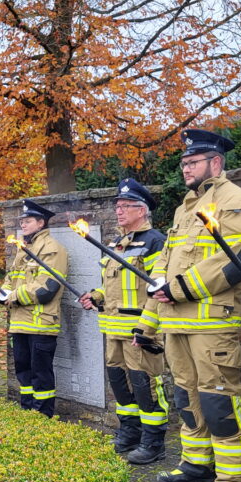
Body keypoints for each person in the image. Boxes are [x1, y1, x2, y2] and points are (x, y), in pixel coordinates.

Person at [136, 129, 241, 482]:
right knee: (186, 397)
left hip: (211, 323)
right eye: (184, 162)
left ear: (216, 163)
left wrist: (175, 289)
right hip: (176, 322)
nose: (186, 168)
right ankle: (196, 463)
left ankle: (237, 478)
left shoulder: (236, 202)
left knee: (219, 400)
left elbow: (236, 259)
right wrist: (154, 292)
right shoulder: (183, 208)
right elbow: (167, 260)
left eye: (193, 162)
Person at [80, 180, 168, 462]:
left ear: (142, 210)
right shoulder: (115, 244)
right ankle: (129, 433)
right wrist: (95, 295)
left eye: (125, 206)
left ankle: (153, 443)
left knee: (146, 386)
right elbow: (112, 287)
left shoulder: (155, 241)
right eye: (117, 206)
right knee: (120, 384)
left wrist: (148, 328)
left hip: (139, 331)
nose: (118, 211)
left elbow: (159, 288)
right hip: (113, 329)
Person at [0, 199, 68, 417]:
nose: (23, 225)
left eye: (28, 221)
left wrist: (13, 296)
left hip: (41, 324)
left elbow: (46, 289)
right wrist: (3, 292)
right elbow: (11, 278)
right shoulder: (23, 250)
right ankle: (27, 409)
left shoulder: (53, 249)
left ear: (41, 223)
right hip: (19, 322)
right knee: (23, 370)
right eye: (22, 221)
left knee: (41, 373)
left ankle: (42, 415)